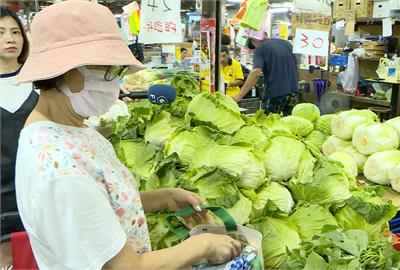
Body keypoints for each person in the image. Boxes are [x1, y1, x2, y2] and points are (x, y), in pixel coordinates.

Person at [14, 1, 241, 269]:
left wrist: (165, 197)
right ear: (70, 72)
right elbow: (123, 267)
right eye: (110, 71)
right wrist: (201, 245)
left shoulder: (69, 130)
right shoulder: (61, 168)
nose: (116, 82)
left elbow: (97, 208)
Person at [0, 6, 37, 267]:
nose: (10, 38)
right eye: (0, 32)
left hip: (38, 192)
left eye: (15, 32)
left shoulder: (41, 81)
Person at [233, 34, 299, 115]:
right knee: (289, 123)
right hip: (293, 91)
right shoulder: (286, 44)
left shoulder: (261, 48)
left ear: (254, 40)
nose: (255, 49)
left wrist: (239, 95)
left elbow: (256, 72)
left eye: (254, 47)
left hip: (275, 93)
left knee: (268, 123)